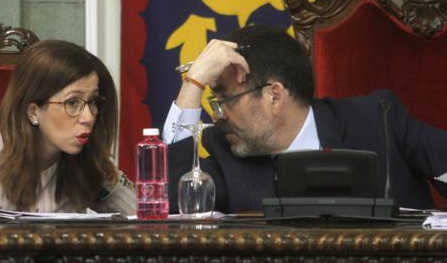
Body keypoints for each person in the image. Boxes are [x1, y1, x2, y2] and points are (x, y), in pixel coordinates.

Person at [163, 25, 447, 214]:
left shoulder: (378, 120)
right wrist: (193, 83)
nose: (216, 115)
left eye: (223, 100)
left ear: (274, 96)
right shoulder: (227, 152)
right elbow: (172, 211)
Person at [0, 40, 136, 214]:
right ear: (33, 111)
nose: (88, 117)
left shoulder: (84, 160)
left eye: (93, 102)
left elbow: (146, 217)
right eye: (73, 103)